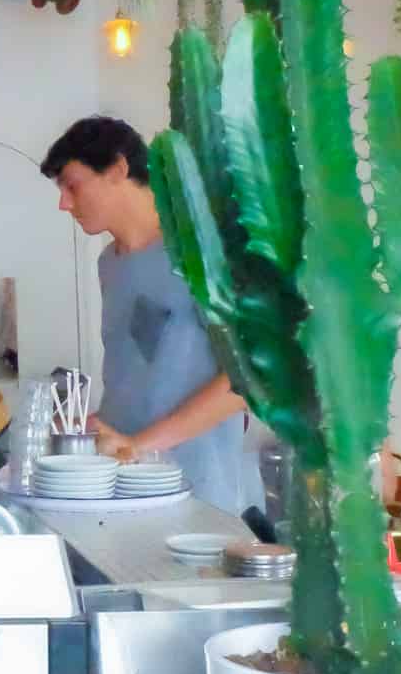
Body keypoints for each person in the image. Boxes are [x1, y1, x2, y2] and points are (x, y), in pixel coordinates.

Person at [40, 115, 258, 516]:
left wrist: (139, 446)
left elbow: (247, 381)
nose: (64, 204)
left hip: (198, 496)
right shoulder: (109, 264)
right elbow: (140, 374)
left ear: (118, 169)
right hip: (118, 488)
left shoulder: (203, 254)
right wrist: (88, 431)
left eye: (72, 186)